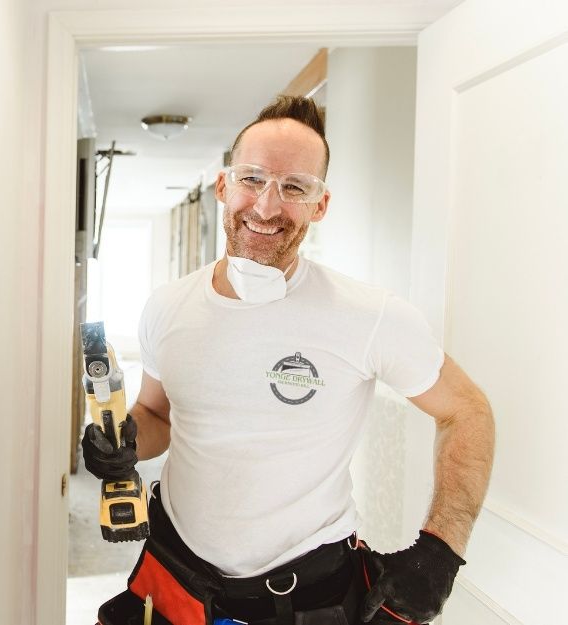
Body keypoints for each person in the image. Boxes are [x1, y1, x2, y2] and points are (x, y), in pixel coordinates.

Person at [82, 96, 495, 625]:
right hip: (175, 581)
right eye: (252, 179)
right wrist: (125, 442)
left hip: (307, 596)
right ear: (223, 186)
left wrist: (441, 551)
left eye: (295, 187)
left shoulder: (370, 315)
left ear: (320, 205)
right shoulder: (169, 306)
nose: (267, 207)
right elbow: (157, 416)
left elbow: (467, 411)